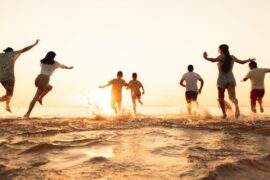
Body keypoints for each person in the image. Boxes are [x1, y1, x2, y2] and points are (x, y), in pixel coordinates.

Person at [203, 44, 255, 119]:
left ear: (221, 50)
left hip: (221, 80)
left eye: (219, 49)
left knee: (221, 98)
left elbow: (213, 60)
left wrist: (205, 58)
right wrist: (249, 60)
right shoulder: (232, 57)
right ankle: (236, 106)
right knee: (232, 97)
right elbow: (241, 62)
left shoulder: (221, 56)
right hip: (231, 79)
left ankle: (224, 114)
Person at [24, 51, 73, 117]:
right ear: (53, 57)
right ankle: (28, 113)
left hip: (38, 78)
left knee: (49, 87)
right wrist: (69, 68)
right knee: (35, 98)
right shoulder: (55, 63)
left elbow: (44, 67)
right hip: (45, 79)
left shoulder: (42, 62)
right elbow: (62, 66)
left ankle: (40, 99)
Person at [0, 40, 39, 112]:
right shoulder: (12, 54)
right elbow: (25, 49)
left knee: (8, 93)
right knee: (9, 94)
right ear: (11, 52)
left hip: (1, 78)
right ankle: (6, 105)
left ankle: (7, 106)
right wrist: (34, 44)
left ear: (5, 51)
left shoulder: (0, 55)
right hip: (9, 77)